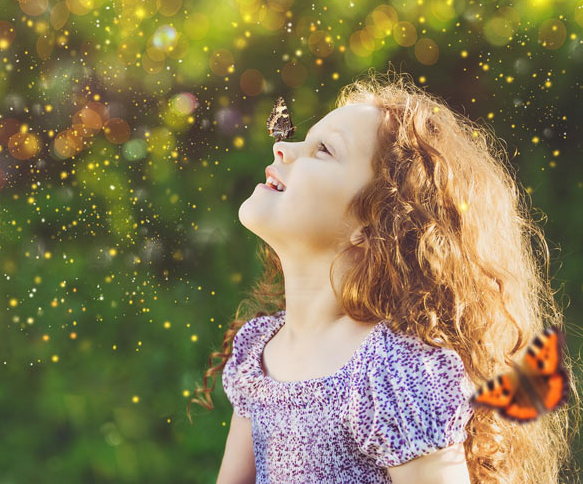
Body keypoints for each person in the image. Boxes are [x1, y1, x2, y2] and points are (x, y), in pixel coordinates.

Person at [188, 69, 579, 484]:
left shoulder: (393, 374)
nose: (282, 146)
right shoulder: (259, 353)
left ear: (375, 220)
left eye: (323, 150)